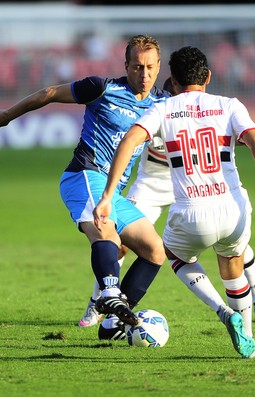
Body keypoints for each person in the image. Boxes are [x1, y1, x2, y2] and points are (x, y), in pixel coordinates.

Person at [93, 46, 255, 358]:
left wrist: (107, 195)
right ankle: (248, 339)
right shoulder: (229, 105)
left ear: (172, 78)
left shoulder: (163, 109)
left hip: (191, 211)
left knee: (169, 253)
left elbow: (130, 140)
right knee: (233, 265)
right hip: (234, 208)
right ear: (208, 77)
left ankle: (223, 312)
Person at [0, 34, 171, 329]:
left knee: (155, 250)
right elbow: (51, 92)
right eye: (137, 67)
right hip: (85, 175)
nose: (144, 75)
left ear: (159, 67)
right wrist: (7, 115)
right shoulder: (102, 88)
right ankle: (108, 291)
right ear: (126, 65)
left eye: (150, 68)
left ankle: (116, 319)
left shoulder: (162, 104)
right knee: (106, 233)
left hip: (112, 191)